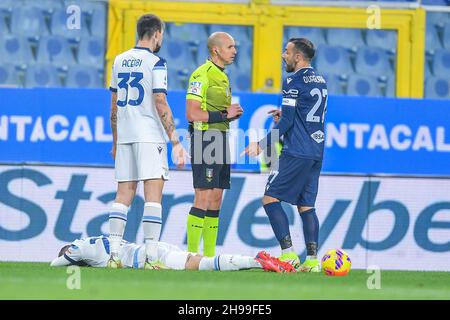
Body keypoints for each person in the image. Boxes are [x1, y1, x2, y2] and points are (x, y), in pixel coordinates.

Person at [108, 14, 187, 269]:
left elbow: (113, 107)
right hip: (149, 135)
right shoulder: (156, 62)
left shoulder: (118, 60)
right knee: (153, 197)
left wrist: (115, 142)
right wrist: (175, 141)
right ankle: (152, 258)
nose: (161, 38)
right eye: (161, 33)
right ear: (156, 33)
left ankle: (114, 256)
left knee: (123, 196)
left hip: (126, 136)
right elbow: (160, 101)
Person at [242, 38, 327, 272]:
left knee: (269, 198)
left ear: (298, 57)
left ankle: (288, 254)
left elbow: (288, 121)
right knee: (306, 205)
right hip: (316, 151)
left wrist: (262, 144)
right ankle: (312, 261)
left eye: (287, 52)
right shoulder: (320, 80)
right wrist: (287, 116)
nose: (283, 55)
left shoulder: (292, 80)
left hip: (296, 150)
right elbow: (303, 113)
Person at [185, 32, 243, 257]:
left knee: (217, 196)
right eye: (230, 47)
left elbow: (217, 113)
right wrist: (223, 114)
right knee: (204, 196)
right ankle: (191, 255)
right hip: (205, 138)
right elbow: (192, 113)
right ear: (216, 50)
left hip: (220, 138)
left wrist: (228, 116)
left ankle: (208, 257)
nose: (235, 51)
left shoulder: (223, 75)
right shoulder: (201, 74)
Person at [49, 236, 296, 273]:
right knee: (200, 262)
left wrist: (69, 254)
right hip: (154, 249)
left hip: (148, 256)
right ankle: (257, 260)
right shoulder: (100, 239)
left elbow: (55, 264)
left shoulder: (80, 248)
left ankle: (256, 260)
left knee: (204, 264)